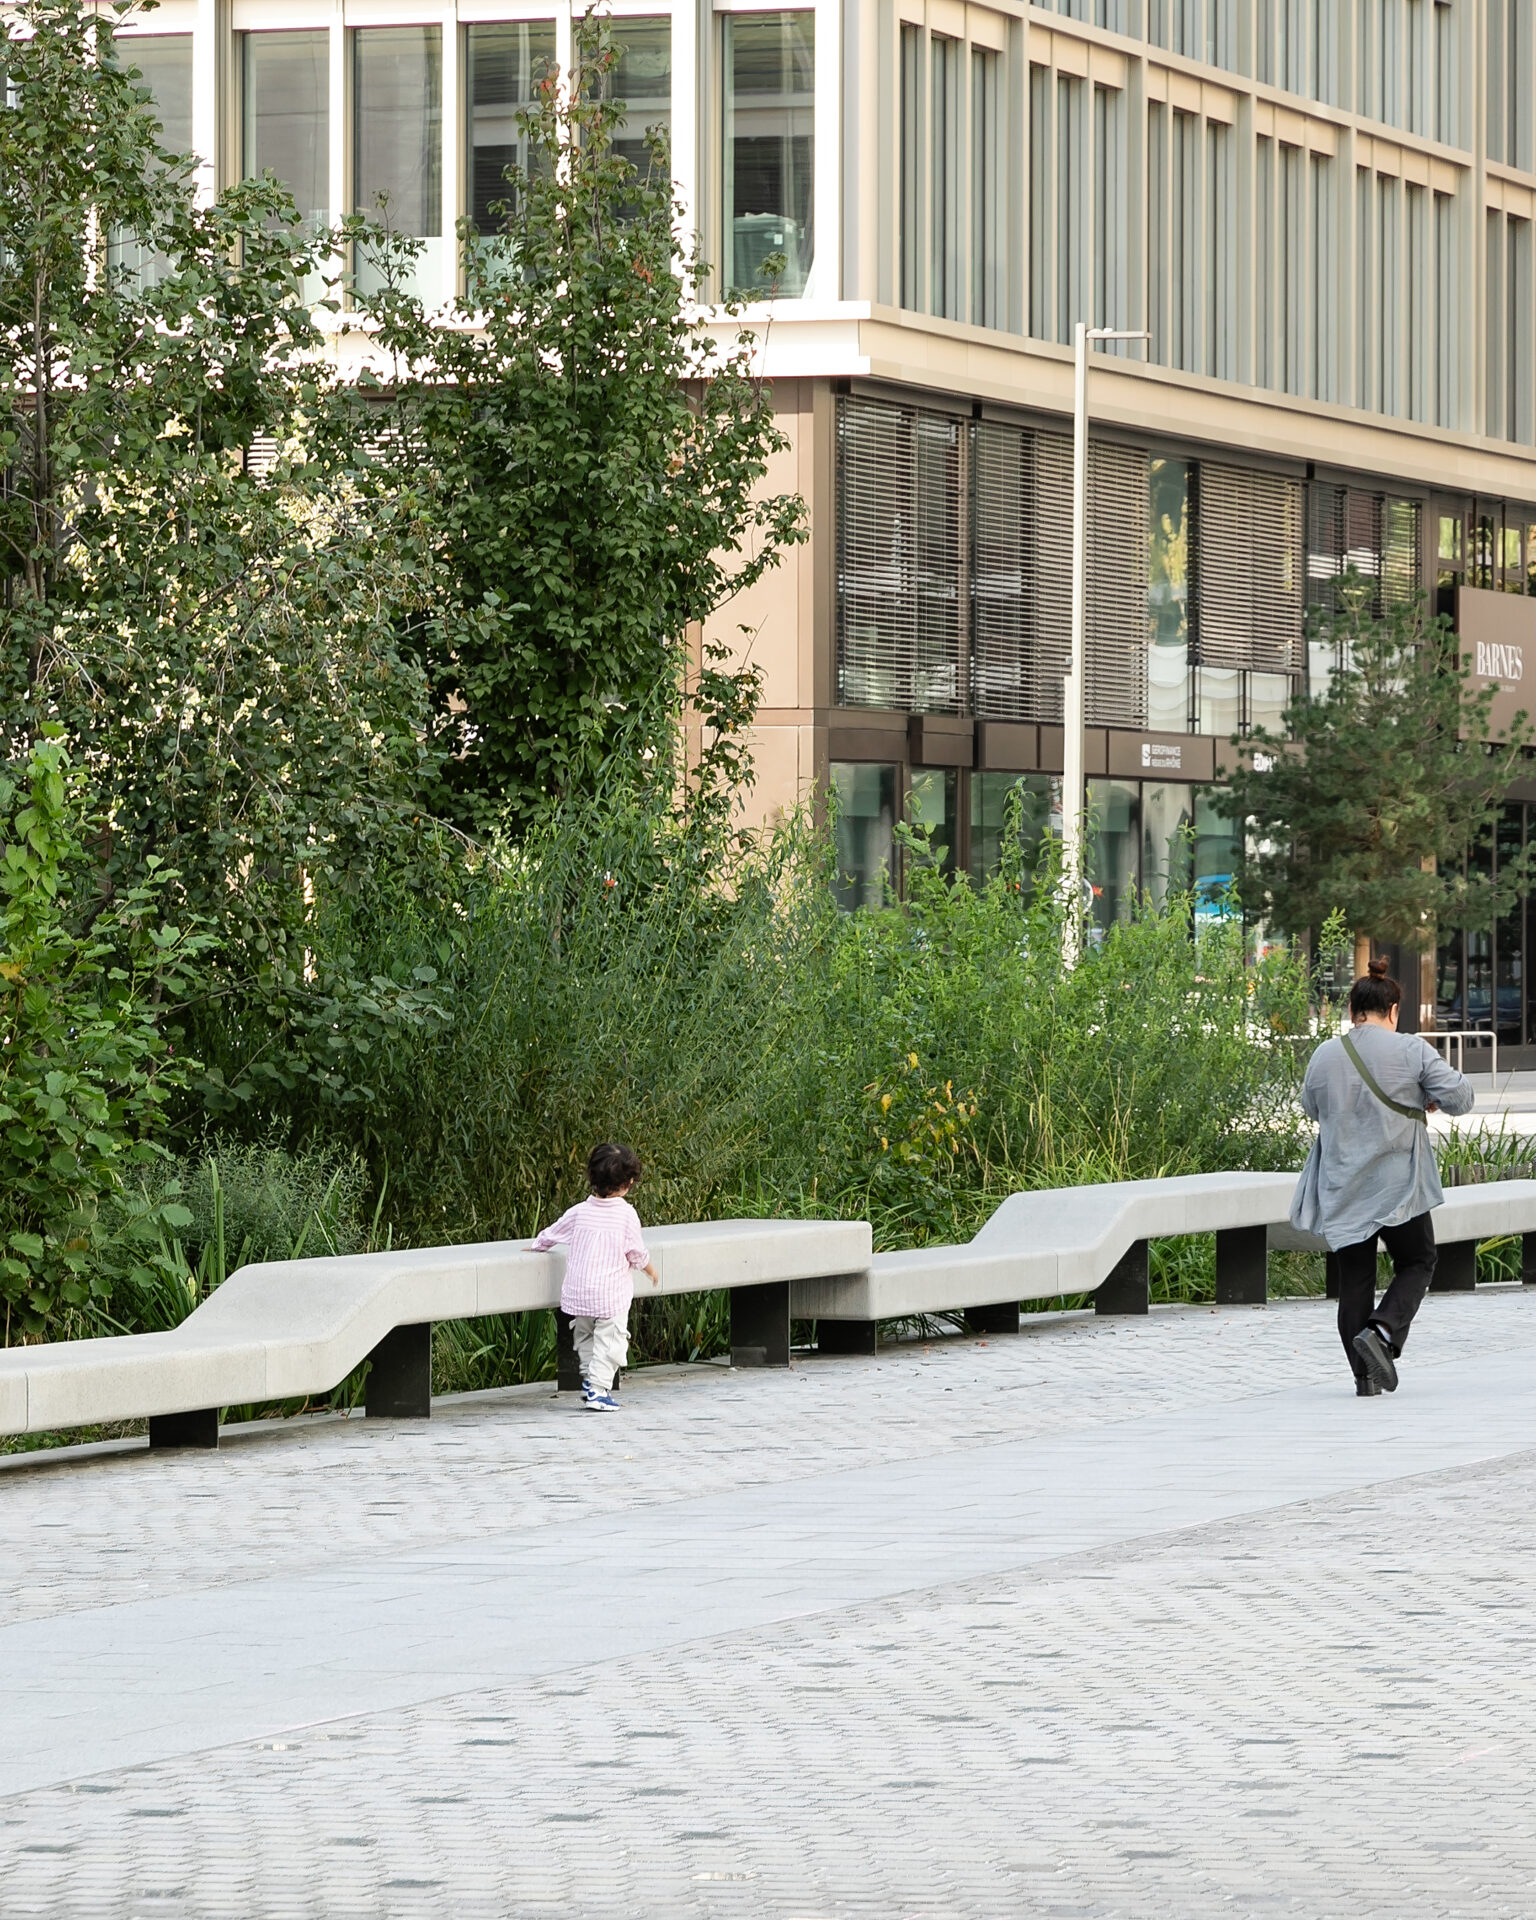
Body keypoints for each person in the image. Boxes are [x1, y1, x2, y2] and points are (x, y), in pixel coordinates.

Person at [1291, 958, 1474, 1396]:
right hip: (1398, 1186)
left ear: (1352, 1010)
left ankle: (1364, 1378)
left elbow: (1310, 1107)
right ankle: (1383, 1332)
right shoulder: (1411, 1050)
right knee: (1418, 1261)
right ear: (1393, 1011)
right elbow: (1462, 1098)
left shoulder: (1325, 1054)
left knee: (1354, 1280)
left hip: (1342, 1184)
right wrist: (1426, 1097)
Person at [532, 1143, 659, 1411]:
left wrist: (536, 1246)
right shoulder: (626, 1214)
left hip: (579, 1294)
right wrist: (650, 1270)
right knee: (610, 1341)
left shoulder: (580, 1211)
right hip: (610, 1295)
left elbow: (552, 1233)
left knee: (586, 1338)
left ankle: (591, 1381)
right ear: (629, 1182)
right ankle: (598, 1390)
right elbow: (635, 1252)